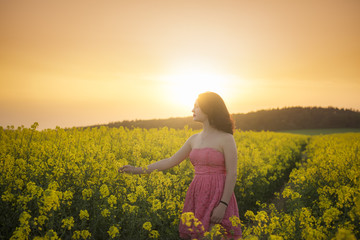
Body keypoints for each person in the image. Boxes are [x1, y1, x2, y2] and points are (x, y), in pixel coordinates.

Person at [118, 91, 242, 240]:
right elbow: (170, 161)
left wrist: (223, 204)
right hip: (198, 194)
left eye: (197, 106)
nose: (192, 110)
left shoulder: (226, 138)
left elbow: (232, 173)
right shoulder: (194, 139)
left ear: (209, 108)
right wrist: (137, 170)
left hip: (219, 194)